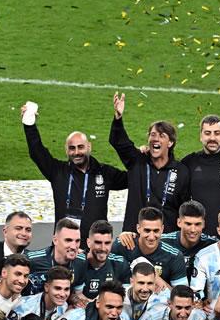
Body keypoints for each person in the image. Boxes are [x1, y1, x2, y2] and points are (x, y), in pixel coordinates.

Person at [21, 101, 126, 236]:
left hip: (95, 249)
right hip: (64, 247)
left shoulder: (105, 173)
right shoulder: (57, 171)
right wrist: (29, 124)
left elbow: (135, 177)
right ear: (66, 150)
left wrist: (144, 156)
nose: (76, 152)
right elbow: (37, 152)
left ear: (89, 147)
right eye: (72, 148)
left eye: (80, 147)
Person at [110, 91, 190, 232]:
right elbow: (119, 142)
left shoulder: (181, 171)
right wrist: (118, 118)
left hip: (166, 238)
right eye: (152, 135)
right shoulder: (137, 161)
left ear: (170, 142)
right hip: (134, 235)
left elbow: (183, 209)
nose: (155, 139)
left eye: (161, 136)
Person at [111, 207, 189, 289]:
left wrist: (155, 278)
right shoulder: (121, 246)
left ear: (162, 229)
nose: (151, 237)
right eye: (147, 230)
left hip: (159, 300)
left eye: (156, 231)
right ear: (138, 228)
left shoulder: (174, 256)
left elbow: (182, 296)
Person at [72, 220, 131, 302]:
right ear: (88, 242)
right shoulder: (77, 263)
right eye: (98, 243)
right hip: (83, 310)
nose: (103, 248)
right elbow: (76, 296)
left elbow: (127, 297)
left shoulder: (120, 263)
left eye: (107, 243)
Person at [25, 218, 83, 295]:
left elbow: (78, 294)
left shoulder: (81, 262)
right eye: (68, 240)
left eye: (77, 241)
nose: (73, 246)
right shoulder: (32, 260)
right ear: (55, 240)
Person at [9, 265, 73, 320]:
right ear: (46, 287)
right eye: (57, 288)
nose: (62, 294)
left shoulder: (64, 306)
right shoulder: (24, 305)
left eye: (66, 289)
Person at [0, 211, 33, 282]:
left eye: (28, 230)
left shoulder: (33, 260)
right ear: (5, 231)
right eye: (18, 228)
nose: (24, 233)